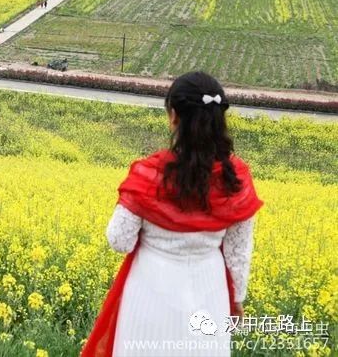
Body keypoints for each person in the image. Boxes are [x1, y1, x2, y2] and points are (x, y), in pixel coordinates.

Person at [82, 72, 262, 357]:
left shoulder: (149, 174)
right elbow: (239, 250)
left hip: (152, 291)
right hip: (209, 291)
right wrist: (237, 299)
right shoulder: (235, 177)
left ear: (174, 116)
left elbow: (119, 240)